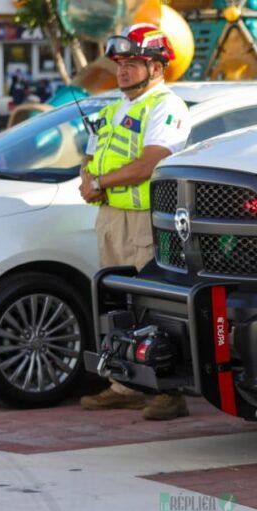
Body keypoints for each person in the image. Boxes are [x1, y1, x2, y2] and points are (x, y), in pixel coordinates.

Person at [78, 23, 192, 421]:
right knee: (118, 303)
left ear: (157, 67)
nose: (122, 71)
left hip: (146, 220)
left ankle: (167, 391)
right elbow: (89, 155)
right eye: (120, 63)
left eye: (133, 63)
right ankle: (124, 385)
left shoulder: (165, 106)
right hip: (111, 216)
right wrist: (87, 180)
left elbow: (151, 163)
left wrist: (100, 182)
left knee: (152, 306)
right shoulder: (114, 107)